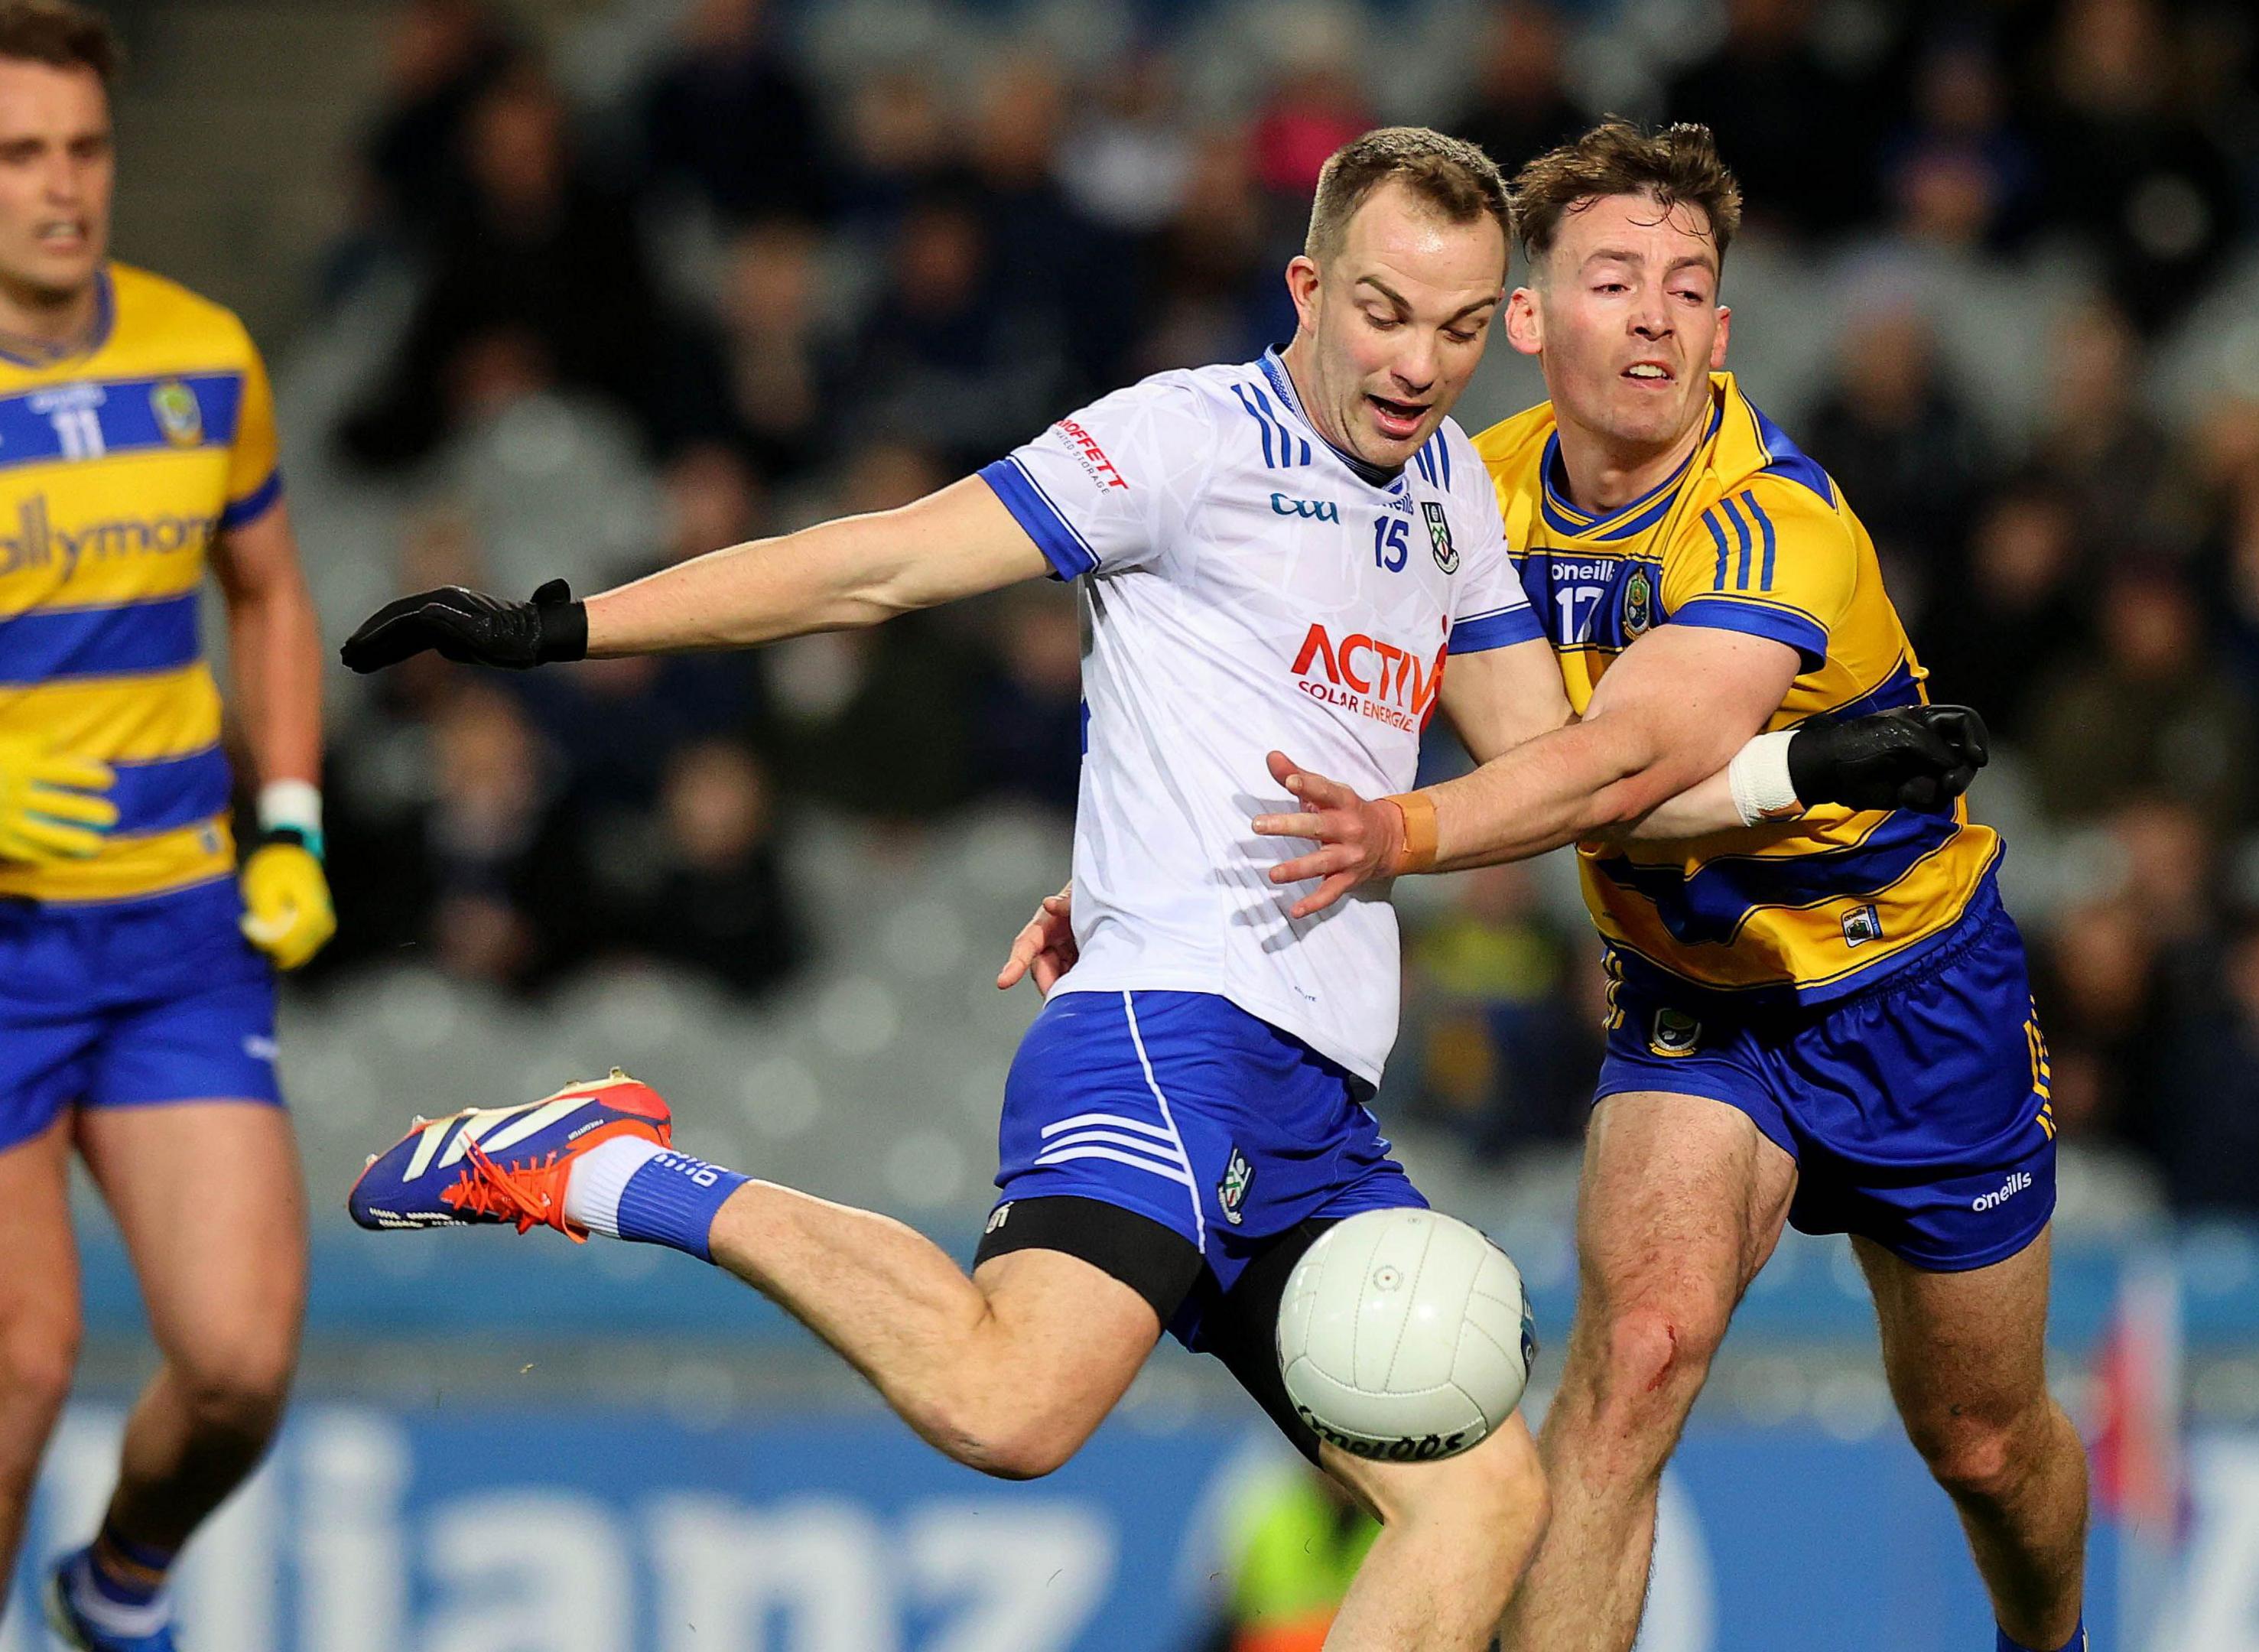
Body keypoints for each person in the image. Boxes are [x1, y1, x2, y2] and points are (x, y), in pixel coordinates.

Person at [336, 128, 1970, 1651]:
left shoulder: (1459, 499)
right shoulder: (1180, 443)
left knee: (1484, 1505)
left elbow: (1566, 778)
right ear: (1311, 290)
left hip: (1318, 1094)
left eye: (1464, 331)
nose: (1419, 366)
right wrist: (560, 628)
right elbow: (878, 562)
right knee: (1013, 1411)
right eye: (1388, 314)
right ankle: (606, 1169)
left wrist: (1799, 778)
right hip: (1171, 1026)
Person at [1011, 120, 2082, 1652]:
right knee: (1633, 1360)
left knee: (1980, 1443)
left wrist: (1408, 835)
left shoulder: (1777, 516)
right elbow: (1278, 682)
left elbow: (1627, 767)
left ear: (1722, 330)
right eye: (1613, 278)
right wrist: (1130, 885)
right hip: (1696, 1002)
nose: (1653, 313)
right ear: (1530, 318)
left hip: (1910, 990)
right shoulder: (1461, 484)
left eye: (1688, 286)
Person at [0, 5, 337, 1649]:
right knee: (20, 1369)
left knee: (239, 1364)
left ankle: (116, 1586)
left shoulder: (202, 354)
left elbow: (268, 595)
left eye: (84, 148)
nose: (62, 187)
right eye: (20, 156)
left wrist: (290, 824)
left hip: (173, 936)